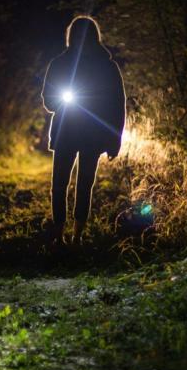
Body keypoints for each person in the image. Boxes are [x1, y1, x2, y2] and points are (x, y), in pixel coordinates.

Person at [41, 15, 126, 246]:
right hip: (72, 132)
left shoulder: (106, 67)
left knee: (82, 184)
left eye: (83, 35)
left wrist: (115, 140)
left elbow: (118, 105)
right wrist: (61, 101)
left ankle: (75, 236)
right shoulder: (61, 64)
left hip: (86, 134)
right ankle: (61, 235)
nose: (79, 39)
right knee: (61, 184)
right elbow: (49, 100)